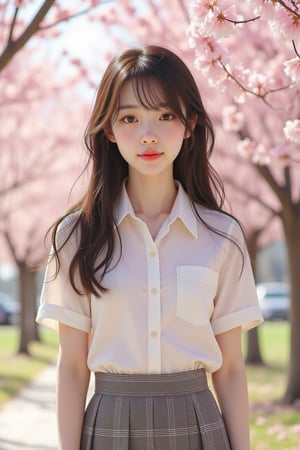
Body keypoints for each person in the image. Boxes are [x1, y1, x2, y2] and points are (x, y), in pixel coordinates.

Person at [36, 45, 263, 450]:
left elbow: (229, 369)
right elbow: (72, 367)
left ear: (190, 124)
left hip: (199, 424)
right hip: (109, 424)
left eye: (165, 116)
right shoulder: (76, 236)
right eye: (130, 118)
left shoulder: (222, 237)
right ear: (108, 129)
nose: (149, 135)